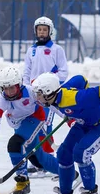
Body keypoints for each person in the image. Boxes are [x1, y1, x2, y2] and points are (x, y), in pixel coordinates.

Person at [0, 65, 59, 194]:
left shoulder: (31, 92)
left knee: (15, 144)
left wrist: (70, 116)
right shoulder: (3, 99)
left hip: (35, 119)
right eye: (5, 88)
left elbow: (51, 103)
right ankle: (67, 172)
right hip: (20, 125)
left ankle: (22, 182)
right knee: (38, 159)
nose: (9, 92)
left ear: (19, 84)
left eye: (12, 87)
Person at [23, 16, 69, 177]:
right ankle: (38, 162)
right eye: (39, 29)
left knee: (46, 126)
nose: (42, 32)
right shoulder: (31, 50)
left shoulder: (57, 50)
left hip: (49, 95)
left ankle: (49, 161)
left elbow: (63, 71)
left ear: (50, 31)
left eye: (45, 30)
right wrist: (27, 88)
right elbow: (27, 72)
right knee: (34, 126)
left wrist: (52, 84)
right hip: (34, 95)